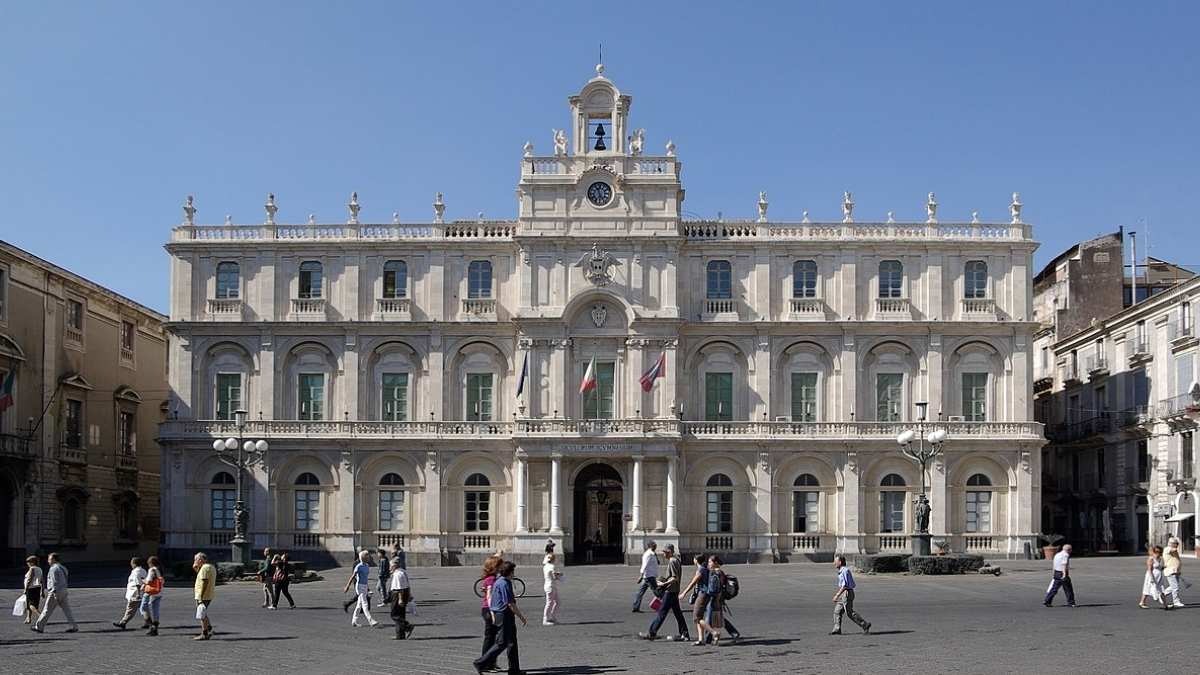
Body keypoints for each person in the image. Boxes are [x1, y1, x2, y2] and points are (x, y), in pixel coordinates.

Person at [474, 560, 527, 675]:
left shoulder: (500, 581)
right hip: (504, 615)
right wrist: (521, 617)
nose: (514, 574)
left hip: (500, 614)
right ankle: (481, 662)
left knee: (512, 642)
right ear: (510, 572)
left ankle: (514, 669)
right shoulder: (504, 583)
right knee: (501, 643)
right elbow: (510, 603)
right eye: (513, 571)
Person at [638, 543, 690, 642]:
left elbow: (675, 578)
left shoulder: (672, 561)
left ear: (669, 552)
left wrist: (663, 584)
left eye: (665, 552)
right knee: (678, 613)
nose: (663, 554)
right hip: (674, 591)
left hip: (670, 591)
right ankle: (685, 634)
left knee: (662, 612)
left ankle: (652, 633)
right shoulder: (676, 560)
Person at [31, 552, 78, 634]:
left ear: (53, 559)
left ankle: (39, 627)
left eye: (49, 559)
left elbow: (54, 582)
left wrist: (54, 592)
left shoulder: (53, 568)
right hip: (64, 590)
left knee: (47, 610)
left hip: (55, 591)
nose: (48, 561)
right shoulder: (63, 567)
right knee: (67, 610)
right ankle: (74, 626)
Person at [831, 554, 871, 635]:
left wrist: (837, 595)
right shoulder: (842, 571)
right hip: (844, 593)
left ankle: (864, 624)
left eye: (836, 561)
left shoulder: (845, 571)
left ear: (840, 562)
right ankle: (837, 629)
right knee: (837, 611)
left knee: (849, 613)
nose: (834, 563)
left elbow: (845, 585)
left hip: (847, 593)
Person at [695, 555, 729, 646]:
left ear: (715, 563)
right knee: (714, 620)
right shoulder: (719, 572)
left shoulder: (716, 573)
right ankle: (712, 639)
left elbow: (718, 588)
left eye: (710, 562)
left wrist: (717, 599)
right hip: (716, 598)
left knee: (708, 619)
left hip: (714, 598)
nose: (708, 564)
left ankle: (713, 635)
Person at [344, 549, 379, 627]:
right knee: (365, 603)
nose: (369, 558)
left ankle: (354, 621)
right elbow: (353, 576)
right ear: (363, 558)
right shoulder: (358, 566)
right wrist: (347, 586)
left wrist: (368, 588)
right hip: (359, 586)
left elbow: (365, 578)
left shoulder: (367, 566)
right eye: (368, 556)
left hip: (364, 586)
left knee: (359, 605)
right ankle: (371, 620)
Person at [113, 557, 149, 629]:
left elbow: (137, 583)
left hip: (135, 594)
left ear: (134, 564)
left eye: (131, 563)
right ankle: (148, 622)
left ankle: (123, 622)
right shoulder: (143, 570)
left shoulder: (136, 572)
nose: (131, 565)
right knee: (143, 608)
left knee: (130, 608)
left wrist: (138, 594)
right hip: (142, 592)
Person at [479, 555, 503, 657]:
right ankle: (485, 661)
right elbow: (490, 597)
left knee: (491, 636)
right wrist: (493, 613)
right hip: (490, 609)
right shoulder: (492, 579)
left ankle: (489, 661)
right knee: (491, 637)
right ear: (495, 567)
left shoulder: (489, 578)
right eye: (500, 566)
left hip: (487, 609)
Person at [193, 552, 216, 640]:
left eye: (195, 560)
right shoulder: (209, 567)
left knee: (201, 614)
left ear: (200, 560)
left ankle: (204, 633)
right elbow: (201, 577)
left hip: (203, 595)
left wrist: (201, 596)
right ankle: (208, 628)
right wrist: (196, 569)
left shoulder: (205, 568)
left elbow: (205, 582)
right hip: (208, 594)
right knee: (203, 612)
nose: (195, 561)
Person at [140, 556, 165, 635]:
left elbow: (149, 581)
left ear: (150, 563)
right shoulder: (160, 569)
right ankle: (155, 627)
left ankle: (151, 625)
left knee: (143, 608)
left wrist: (143, 580)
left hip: (151, 592)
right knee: (155, 610)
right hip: (159, 592)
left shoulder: (152, 569)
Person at [631, 540, 659, 612]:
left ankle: (636, 606)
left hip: (648, 576)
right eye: (654, 545)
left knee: (640, 592)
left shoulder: (652, 553)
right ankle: (666, 605)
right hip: (649, 576)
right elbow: (644, 565)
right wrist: (641, 575)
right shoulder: (648, 554)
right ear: (650, 546)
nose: (656, 546)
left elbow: (656, 562)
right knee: (657, 592)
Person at [389, 560, 414, 640]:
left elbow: (399, 588)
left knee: (394, 615)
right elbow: (408, 584)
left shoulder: (397, 574)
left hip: (397, 595)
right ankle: (400, 635)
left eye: (390, 566)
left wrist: (400, 599)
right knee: (401, 614)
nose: (389, 568)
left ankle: (407, 626)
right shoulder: (403, 571)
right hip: (405, 593)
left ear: (394, 566)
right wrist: (409, 594)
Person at [1164, 537, 1186, 608]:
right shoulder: (1167, 549)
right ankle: (1176, 601)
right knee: (1175, 587)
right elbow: (1172, 549)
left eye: (1177, 544)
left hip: (1175, 571)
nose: (1177, 545)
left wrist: (1179, 570)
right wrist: (1174, 543)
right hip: (1170, 571)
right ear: (1171, 544)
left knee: (1173, 586)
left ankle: (1162, 594)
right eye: (1176, 544)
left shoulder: (1174, 550)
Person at [542, 551, 562, 625]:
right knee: (550, 603)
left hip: (548, 585)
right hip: (551, 586)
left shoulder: (546, 566)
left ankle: (552, 617)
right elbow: (554, 577)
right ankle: (545, 619)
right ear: (554, 559)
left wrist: (557, 574)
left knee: (557, 602)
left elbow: (550, 574)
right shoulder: (552, 566)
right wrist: (560, 576)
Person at [22, 555, 42, 625]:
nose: (27, 563)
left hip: (31, 588)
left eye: (28, 562)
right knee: (31, 604)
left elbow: (29, 579)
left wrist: (25, 588)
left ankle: (41, 616)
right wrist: (42, 590)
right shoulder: (39, 569)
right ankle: (28, 618)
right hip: (37, 588)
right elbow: (42, 580)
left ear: (33, 562)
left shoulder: (32, 569)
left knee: (31, 605)